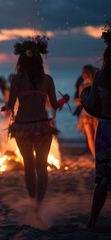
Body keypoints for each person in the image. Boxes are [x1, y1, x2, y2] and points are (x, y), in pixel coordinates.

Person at [4, 36, 59, 211]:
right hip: (42, 126)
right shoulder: (48, 79)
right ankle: (39, 205)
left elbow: (11, 105)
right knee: (42, 167)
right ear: (39, 60)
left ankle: (32, 199)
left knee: (29, 165)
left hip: (23, 127)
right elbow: (54, 105)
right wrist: (63, 101)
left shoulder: (17, 80)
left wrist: (7, 107)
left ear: (22, 60)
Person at [82, 19, 111, 229]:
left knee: (102, 177)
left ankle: (92, 221)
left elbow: (91, 103)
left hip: (107, 129)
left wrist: (83, 97)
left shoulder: (100, 76)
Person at [75, 65, 98, 157]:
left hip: (96, 114)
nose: (82, 74)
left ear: (89, 73)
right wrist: (78, 101)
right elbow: (81, 100)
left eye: (84, 72)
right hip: (86, 114)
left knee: (97, 137)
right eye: (82, 72)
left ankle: (98, 156)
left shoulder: (96, 84)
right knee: (90, 137)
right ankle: (95, 157)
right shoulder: (82, 85)